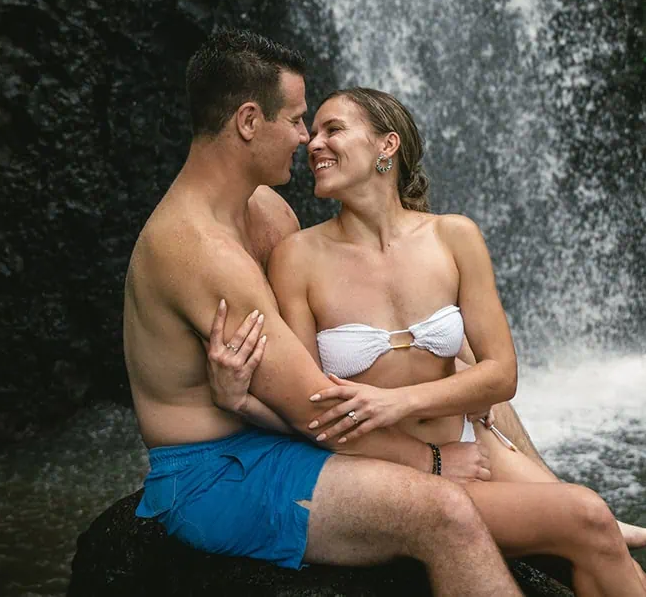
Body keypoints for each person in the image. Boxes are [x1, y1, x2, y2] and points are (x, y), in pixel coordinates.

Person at [206, 85, 646, 597]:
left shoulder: (454, 236)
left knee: (602, 534)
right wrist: (240, 400)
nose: (312, 143)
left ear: (387, 146)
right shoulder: (297, 257)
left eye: (332, 129)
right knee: (587, 515)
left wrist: (396, 400)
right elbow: (312, 406)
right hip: (386, 470)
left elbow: (501, 374)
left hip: (474, 449)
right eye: (311, 132)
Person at [122, 30, 524, 595]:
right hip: (217, 470)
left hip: (275, 435)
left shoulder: (266, 212)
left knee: (460, 368)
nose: (305, 137)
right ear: (247, 121)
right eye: (294, 119)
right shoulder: (195, 247)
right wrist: (432, 461)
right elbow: (318, 409)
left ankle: (572, 511)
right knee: (446, 513)